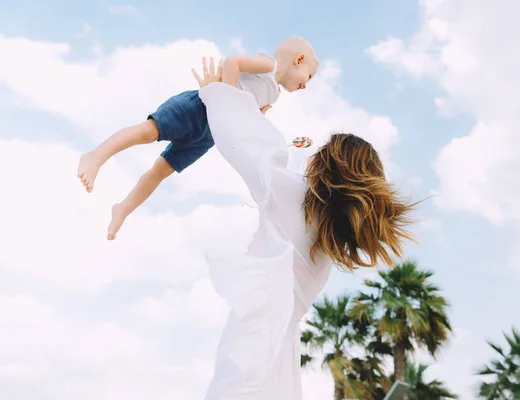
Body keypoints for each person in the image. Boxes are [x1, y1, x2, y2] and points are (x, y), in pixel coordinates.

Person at [194, 60, 414, 399]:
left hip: (256, 340)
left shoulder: (292, 195)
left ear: (326, 164)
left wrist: (217, 95)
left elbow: (241, 144)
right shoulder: (332, 240)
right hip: (282, 350)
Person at [76, 36, 320, 240]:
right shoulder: (269, 67)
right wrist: (225, 98)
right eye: (308, 77)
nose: (306, 85)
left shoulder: (273, 95)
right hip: (199, 107)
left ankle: (123, 208)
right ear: (299, 60)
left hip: (209, 134)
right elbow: (231, 62)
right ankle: (95, 156)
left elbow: (244, 116)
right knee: (148, 132)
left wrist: (255, 115)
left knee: (161, 170)